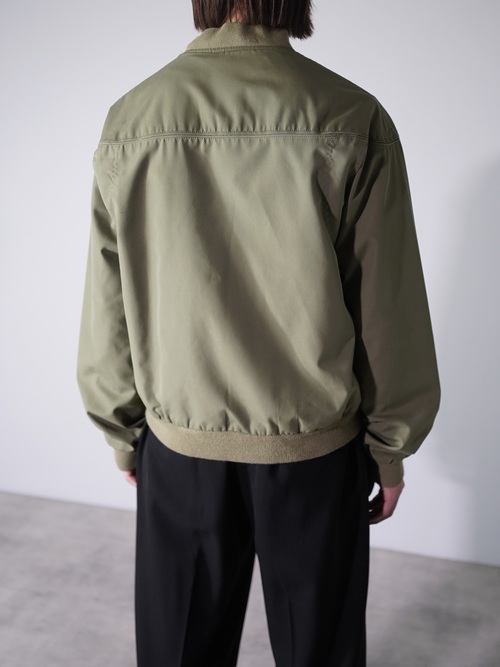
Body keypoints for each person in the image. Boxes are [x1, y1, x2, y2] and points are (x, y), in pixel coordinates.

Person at [77, 1, 440, 665]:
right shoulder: (351, 116)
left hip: (180, 448)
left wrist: (124, 433)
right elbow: (388, 308)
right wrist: (391, 448)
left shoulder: (132, 118)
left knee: (180, 649)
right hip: (315, 453)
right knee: (319, 649)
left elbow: (110, 298)